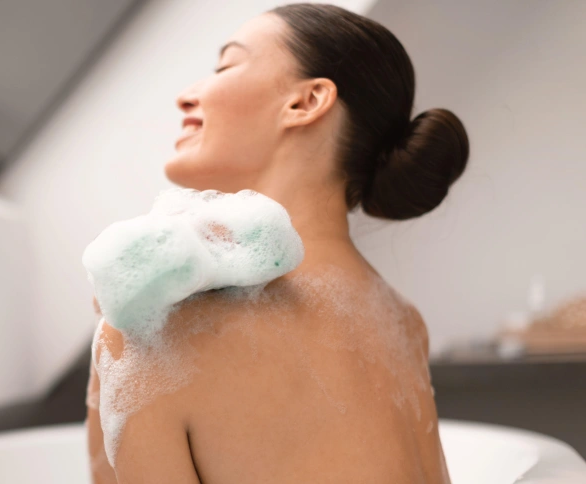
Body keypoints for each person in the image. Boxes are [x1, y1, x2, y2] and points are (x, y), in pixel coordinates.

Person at [87, 3, 469, 483]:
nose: (186, 96)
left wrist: (113, 332)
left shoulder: (162, 327)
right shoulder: (403, 322)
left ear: (305, 102)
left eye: (226, 66)